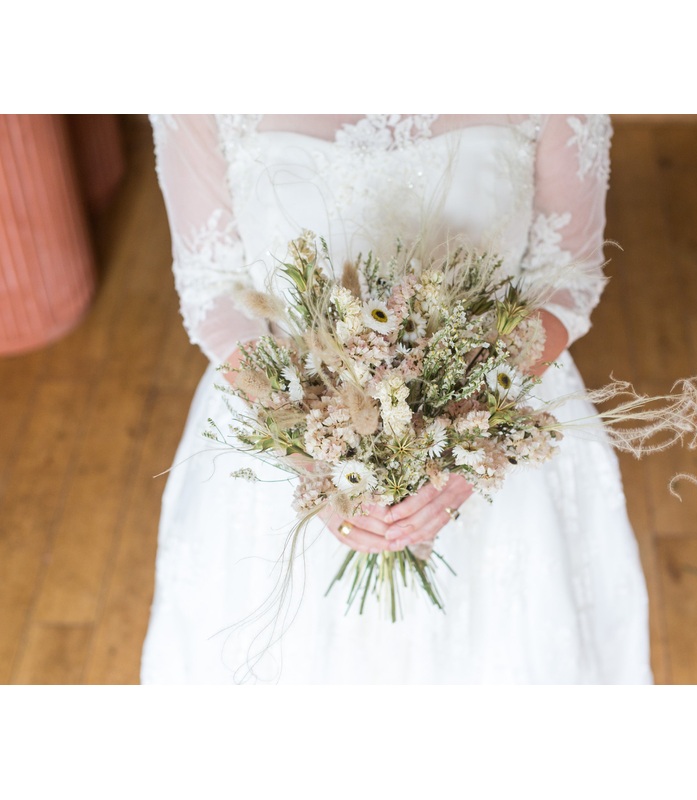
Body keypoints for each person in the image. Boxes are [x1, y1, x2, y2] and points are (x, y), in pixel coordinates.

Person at [141, 114, 653, 684]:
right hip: (283, 415)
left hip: (496, 405)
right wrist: (314, 458)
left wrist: (472, 443)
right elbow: (213, 286)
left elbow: (567, 277)